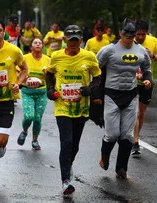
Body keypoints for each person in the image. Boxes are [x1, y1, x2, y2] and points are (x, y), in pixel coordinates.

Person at [46, 25, 101, 196]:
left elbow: (98, 77)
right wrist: (50, 90)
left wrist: (90, 88)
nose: (73, 43)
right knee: (67, 142)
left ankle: (69, 165)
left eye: (76, 40)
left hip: (82, 107)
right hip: (62, 107)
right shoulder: (56, 56)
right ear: (65, 41)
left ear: (81, 41)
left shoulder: (89, 56)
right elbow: (49, 73)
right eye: (70, 40)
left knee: (75, 145)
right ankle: (65, 181)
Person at [97, 18, 152, 179]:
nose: (129, 38)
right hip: (111, 94)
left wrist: (148, 79)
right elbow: (95, 68)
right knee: (112, 134)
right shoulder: (109, 50)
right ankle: (104, 156)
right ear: (121, 33)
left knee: (127, 135)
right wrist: (94, 92)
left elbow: (146, 68)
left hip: (130, 94)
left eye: (132, 35)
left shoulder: (141, 50)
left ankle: (121, 168)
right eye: (126, 35)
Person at [0, 17, 28, 186]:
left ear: (4, 32)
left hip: (5, 101)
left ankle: (0, 147)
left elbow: (24, 69)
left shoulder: (14, 51)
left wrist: (18, 83)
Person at [131, 19, 157, 155]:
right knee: (135, 113)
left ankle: (135, 136)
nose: (140, 37)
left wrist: (152, 55)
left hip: (146, 81)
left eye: (143, 35)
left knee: (141, 112)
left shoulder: (153, 41)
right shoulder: (128, 41)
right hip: (131, 82)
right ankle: (135, 142)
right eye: (138, 34)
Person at [16, 38, 50, 150]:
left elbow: (52, 76)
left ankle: (35, 140)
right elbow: (17, 71)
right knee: (29, 116)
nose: (38, 44)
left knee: (37, 118)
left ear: (42, 46)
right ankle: (24, 131)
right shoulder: (25, 58)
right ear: (31, 46)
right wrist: (22, 78)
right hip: (27, 91)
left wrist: (47, 75)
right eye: (35, 43)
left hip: (41, 92)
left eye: (40, 43)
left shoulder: (47, 59)